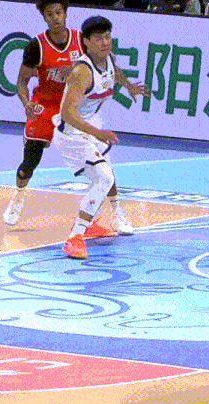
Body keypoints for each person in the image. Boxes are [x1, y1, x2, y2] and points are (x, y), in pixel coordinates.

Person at [54, 15, 150, 259]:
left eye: (108, 37)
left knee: (109, 172)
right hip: (72, 133)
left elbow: (115, 72)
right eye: (99, 39)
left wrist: (129, 85)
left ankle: (114, 216)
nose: (105, 42)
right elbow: (66, 113)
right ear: (86, 42)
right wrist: (97, 133)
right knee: (104, 177)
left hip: (91, 125)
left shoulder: (108, 58)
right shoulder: (82, 72)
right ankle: (75, 237)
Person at [3, 0, 84, 226]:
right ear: (44, 17)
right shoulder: (36, 46)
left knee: (93, 163)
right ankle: (17, 200)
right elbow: (21, 81)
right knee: (29, 164)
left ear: (65, 14)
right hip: (44, 106)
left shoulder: (81, 41)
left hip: (71, 106)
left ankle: (102, 212)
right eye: (50, 14)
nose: (55, 18)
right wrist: (26, 103)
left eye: (58, 12)